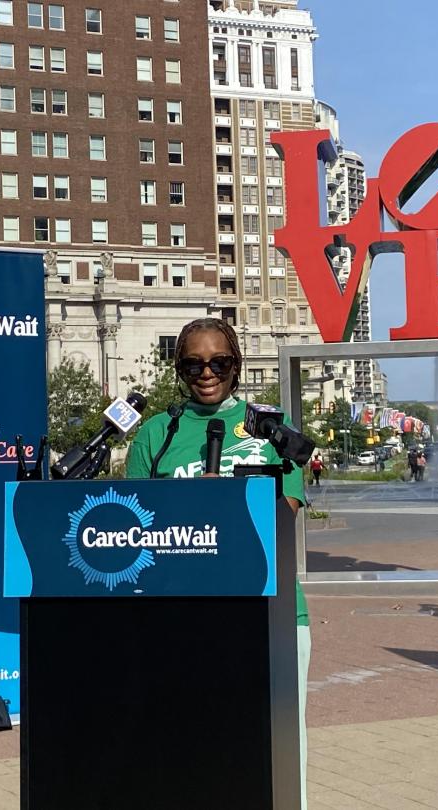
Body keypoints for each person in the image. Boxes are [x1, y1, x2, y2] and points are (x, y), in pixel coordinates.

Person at [125, 317, 311, 808]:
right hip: (180, 616)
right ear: (179, 369)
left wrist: (223, 503)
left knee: (275, 758)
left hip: (270, 616)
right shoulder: (154, 436)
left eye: (218, 362)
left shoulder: (271, 429)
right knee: (189, 753)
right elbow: (133, 528)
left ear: (237, 365)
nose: (206, 373)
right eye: (192, 364)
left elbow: (283, 516)